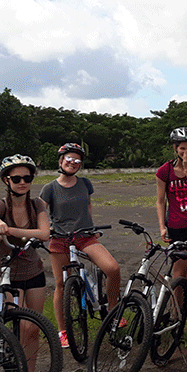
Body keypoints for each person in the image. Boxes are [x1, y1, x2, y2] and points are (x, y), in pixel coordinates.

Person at [0, 154, 51, 372]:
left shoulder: (38, 205)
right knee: (16, 326)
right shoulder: (0, 205)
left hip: (33, 271)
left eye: (27, 177)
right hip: (8, 274)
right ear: (6, 180)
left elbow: (44, 233)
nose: (22, 182)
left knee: (31, 329)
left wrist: (9, 230)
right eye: (17, 178)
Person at [40, 143, 121, 348]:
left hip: (85, 237)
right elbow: (41, 212)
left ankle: (113, 310)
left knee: (112, 268)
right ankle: (63, 330)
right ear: (60, 161)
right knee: (61, 284)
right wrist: (46, 229)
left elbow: (88, 205)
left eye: (77, 160)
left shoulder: (85, 183)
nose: (73, 163)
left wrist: (91, 226)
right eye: (69, 159)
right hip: (60, 238)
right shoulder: (50, 188)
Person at [156, 127, 187, 284]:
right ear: (175, 148)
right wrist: (162, 227)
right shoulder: (165, 170)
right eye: (182, 148)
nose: (186, 152)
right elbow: (160, 201)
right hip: (177, 226)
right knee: (179, 270)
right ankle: (177, 307)